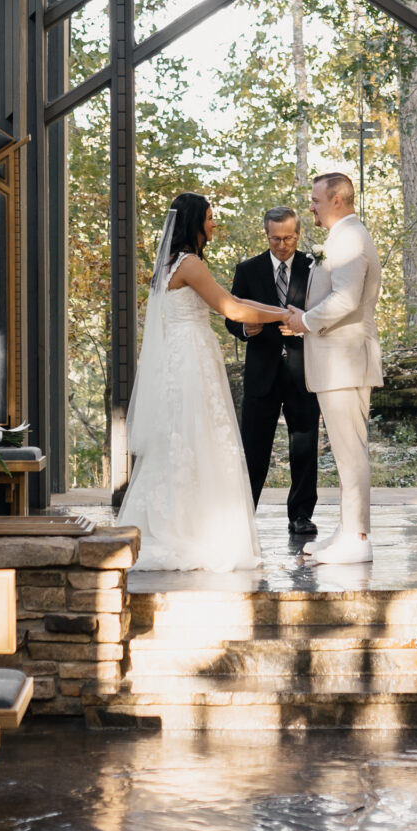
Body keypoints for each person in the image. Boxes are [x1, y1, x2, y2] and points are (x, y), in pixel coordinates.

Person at [116, 192, 285, 572]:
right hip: (191, 357)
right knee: (199, 437)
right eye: (209, 217)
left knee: (185, 439)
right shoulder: (189, 264)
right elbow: (231, 307)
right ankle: (193, 531)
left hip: (186, 355)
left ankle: (178, 519)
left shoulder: (171, 264)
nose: (213, 224)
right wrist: (287, 315)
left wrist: (277, 312)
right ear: (193, 222)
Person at [280, 172, 381, 564]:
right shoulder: (341, 237)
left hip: (346, 361)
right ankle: (346, 530)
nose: (311, 206)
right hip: (338, 361)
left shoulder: (351, 237)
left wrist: (304, 321)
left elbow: (346, 299)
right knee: (343, 452)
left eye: (317, 200)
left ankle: (357, 538)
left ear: (338, 200)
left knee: (351, 453)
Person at [228, 207, 321, 539]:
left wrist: (307, 326)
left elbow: (324, 313)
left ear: (298, 233)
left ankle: (301, 516)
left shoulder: (316, 267)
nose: (282, 244)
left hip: (303, 372)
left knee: (305, 447)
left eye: (289, 237)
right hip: (261, 373)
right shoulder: (248, 270)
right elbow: (230, 317)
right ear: (265, 234)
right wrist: (244, 328)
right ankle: (243, 514)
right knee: (253, 448)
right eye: (275, 238)